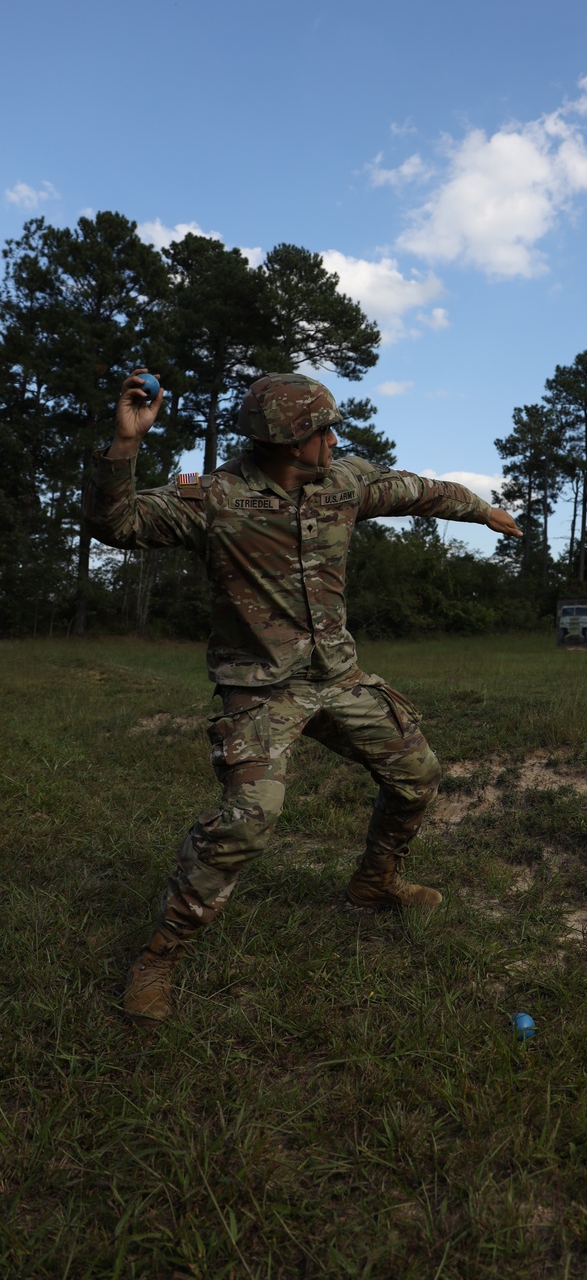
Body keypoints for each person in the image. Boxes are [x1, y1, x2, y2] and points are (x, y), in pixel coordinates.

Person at [83, 369, 522, 1027]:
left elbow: (418, 492)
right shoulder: (216, 499)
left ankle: (374, 885)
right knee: (248, 817)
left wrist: (481, 510)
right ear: (291, 439)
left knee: (417, 774)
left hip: (338, 680)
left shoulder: (342, 483)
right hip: (260, 691)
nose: (335, 437)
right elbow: (115, 521)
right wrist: (124, 443)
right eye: (323, 428)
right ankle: (160, 957)